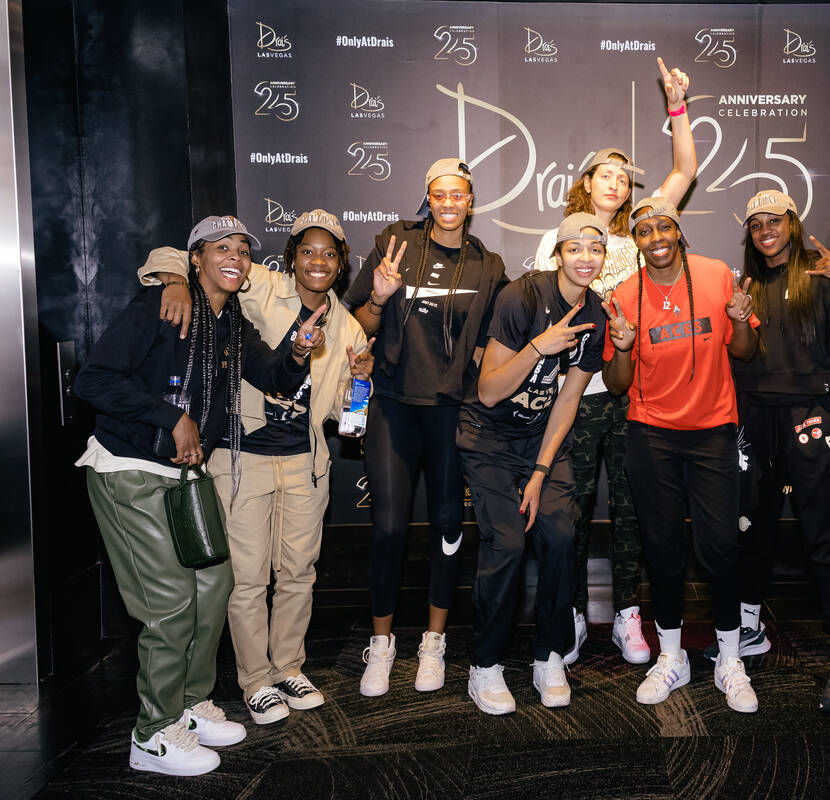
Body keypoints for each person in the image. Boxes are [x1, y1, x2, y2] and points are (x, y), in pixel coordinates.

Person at [74, 215, 322, 776]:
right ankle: (152, 735)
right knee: (169, 604)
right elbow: (93, 380)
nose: (234, 256)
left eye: (242, 249)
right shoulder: (161, 305)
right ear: (195, 259)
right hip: (131, 469)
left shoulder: (230, 321)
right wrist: (171, 417)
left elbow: (274, 377)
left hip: (186, 476)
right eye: (220, 247)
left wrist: (299, 351)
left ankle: (188, 705)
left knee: (214, 588)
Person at [140, 210, 374, 724]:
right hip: (242, 457)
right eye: (307, 251)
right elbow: (178, 255)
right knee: (247, 579)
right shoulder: (259, 284)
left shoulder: (350, 328)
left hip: (305, 464)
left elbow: (348, 422)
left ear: (341, 264)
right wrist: (175, 281)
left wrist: (360, 383)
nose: (318, 262)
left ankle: (288, 667)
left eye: (329, 254)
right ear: (292, 257)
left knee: (298, 574)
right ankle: (256, 680)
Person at [532, 57, 697, 666]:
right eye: (607, 174)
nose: (618, 185)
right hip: (573, 400)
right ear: (586, 182)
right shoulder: (556, 242)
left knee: (632, 511)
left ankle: (628, 611)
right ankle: (574, 612)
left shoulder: (637, 239)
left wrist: (676, 105)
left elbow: (685, 170)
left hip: (632, 397)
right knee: (570, 513)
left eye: (625, 179)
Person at [342, 158, 508, 696]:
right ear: (428, 198)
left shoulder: (488, 264)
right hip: (393, 405)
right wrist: (380, 296)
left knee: (448, 527)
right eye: (440, 194)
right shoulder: (395, 245)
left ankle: (433, 643)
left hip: (450, 411)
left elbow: (503, 331)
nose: (449, 203)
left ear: (470, 200)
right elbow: (357, 323)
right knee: (389, 529)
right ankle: (382, 644)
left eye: (459, 194)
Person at [602, 197, 761, 713]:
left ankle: (730, 659)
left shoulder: (715, 276)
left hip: (713, 430)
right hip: (652, 434)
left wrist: (740, 320)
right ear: (636, 241)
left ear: (679, 231)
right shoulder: (625, 294)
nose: (656, 237)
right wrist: (621, 347)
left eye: (663, 226)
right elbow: (616, 384)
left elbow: (744, 352)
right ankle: (671, 656)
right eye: (644, 230)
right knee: (663, 549)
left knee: (720, 548)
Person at [724, 190, 830, 714]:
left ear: (792, 223)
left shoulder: (821, 273)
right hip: (754, 416)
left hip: (809, 413)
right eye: (756, 224)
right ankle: (749, 629)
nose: (766, 230)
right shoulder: (744, 285)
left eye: (775, 220)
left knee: (822, 533)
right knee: (751, 526)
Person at [457, 213, 608, 713]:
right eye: (575, 248)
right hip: (488, 435)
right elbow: (489, 390)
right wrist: (538, 347)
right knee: (507, 541)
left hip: (539, 440)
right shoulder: (521, 297)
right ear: (558, 254)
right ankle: (485, 664)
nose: (585, 257)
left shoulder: (596, 315)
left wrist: (541, 472)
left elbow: (568, 399)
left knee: (561, 534)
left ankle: (550, 655)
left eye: (595, 249)